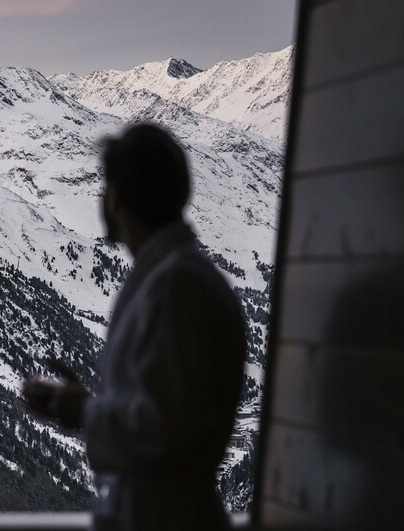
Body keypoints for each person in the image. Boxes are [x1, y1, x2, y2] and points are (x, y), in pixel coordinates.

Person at [22, 123, 247, 531]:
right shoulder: (172, 276)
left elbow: (165, 431)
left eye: (106, 188)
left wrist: (84, 410)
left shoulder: (176, 286)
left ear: (120, 198)